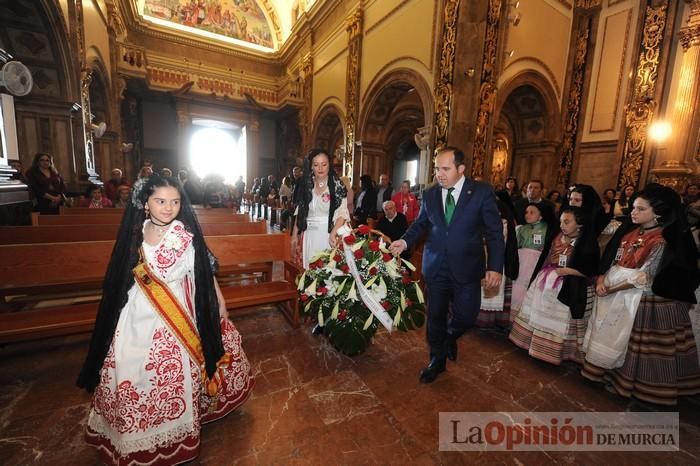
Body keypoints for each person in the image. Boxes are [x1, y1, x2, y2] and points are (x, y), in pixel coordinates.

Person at [77, 174, 254, 464]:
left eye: (174, 202)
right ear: (145, 203)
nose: (168, 207)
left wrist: (218, 299)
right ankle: (135, 431)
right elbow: (122, 273)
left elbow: (203, 272)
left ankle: (176, 431)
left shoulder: (183, 234)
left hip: (178, 310)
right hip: (136, 313)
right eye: (160, 201)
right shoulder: (136, 230)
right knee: (129, 366)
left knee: (177, 369)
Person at [389, 146, 504, 383]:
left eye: (445, 169)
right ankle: (437, 360)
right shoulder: (430, 194)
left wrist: (495, 266)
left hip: (468, 267)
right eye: (436, 169)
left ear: (461, 169)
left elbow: (494, 233)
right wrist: (404, 240)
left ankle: (449, 336)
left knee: (467, 315)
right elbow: (420, 224)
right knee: (435, 316)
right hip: (436, 266)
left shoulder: (481, 192)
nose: (439, 174)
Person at [581, 184, 700, 405]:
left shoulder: (663, 240)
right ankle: (606, 372)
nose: (633, 212)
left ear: (658, 213)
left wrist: (611, 288)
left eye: (640, 209)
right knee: (612, 336)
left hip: (646, 299)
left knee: (638, 344)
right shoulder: (628, 231)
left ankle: (640, 386)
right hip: (617, 293)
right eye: (633, 207)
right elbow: (610, 258)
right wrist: (601, 279)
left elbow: (647, 276)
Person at [509, 207, 599, 365]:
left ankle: (555, 351)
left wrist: (569, 270)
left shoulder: (587, 243)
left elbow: (591, 270)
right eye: (561, 222)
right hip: (547, 279)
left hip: (569, 286)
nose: (562, 225)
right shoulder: (558, 236)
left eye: (567, 222)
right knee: (539, 311)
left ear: (580, 224)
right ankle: (535, 345)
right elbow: (547, 258)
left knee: (559, 318)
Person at [292, 148, 350, 269]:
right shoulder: (307, 185)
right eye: (316, 165)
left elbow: (342, 213)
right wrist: (294, 235)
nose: (320, 168)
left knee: (327, 271)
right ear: (311, 167)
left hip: (328, 233)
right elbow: (301, 211)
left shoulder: (337, 186)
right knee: (310, 271)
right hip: (309, 234)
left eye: (324, 164)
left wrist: (333, 233)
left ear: (329, 165)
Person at [475, 192, 519, 329]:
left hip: (495, 260)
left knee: (492, 290)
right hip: (481, 258)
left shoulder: (504, 223)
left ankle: (490, 321)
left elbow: (500, 241)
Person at [510, 202, 555, 315]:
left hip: (536, 261)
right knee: (517, 285)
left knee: (529, 286)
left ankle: (524, 313)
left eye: (532, 212)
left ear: (541, 215)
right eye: (526, 212)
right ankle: (512, 314)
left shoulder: (547, 229)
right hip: (521, 260)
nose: (527, 215)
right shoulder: (521, 229)